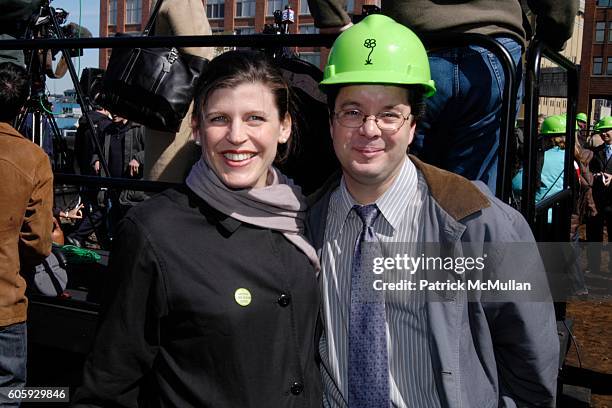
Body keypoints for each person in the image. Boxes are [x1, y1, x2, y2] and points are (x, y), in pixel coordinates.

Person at [307, 16, 559, 407]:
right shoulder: (307, 223)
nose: (370, 130)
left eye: (389, 113)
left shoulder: (483, 224)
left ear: (413, 126)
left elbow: (531, 368)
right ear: (331, 122)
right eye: (352, 112)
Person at [72, 50, 322, 407]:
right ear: (197, 128)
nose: (237, 136)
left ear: (283, 127)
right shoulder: (154, 233)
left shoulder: (305, 214)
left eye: (255, 118)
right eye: (220, 118)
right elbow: (108, 387)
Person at [307, 0, 577, 193]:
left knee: (402, 184)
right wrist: (554, 33)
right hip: (493, 49)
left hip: (409, 46)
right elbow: (558, 12)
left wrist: (332, 19)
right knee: (473, 192)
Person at [0, 61, 53, 406]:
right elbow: (38, 242)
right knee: (8, 395)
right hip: (4, 303)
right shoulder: (33, 159)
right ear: (22, 109)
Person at [143, 0, 215, 183]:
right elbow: (200, 51)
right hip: (180, 117)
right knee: (175, 196)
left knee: (161, 195)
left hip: (163, 109)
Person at [587, 116, 612, 274]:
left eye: (607, 130)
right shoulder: (595, 152)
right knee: (594, 236)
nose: (604, 134)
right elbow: (589, 172)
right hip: (597, 201)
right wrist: (596, 176)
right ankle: (594, 267)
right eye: (601, 131)